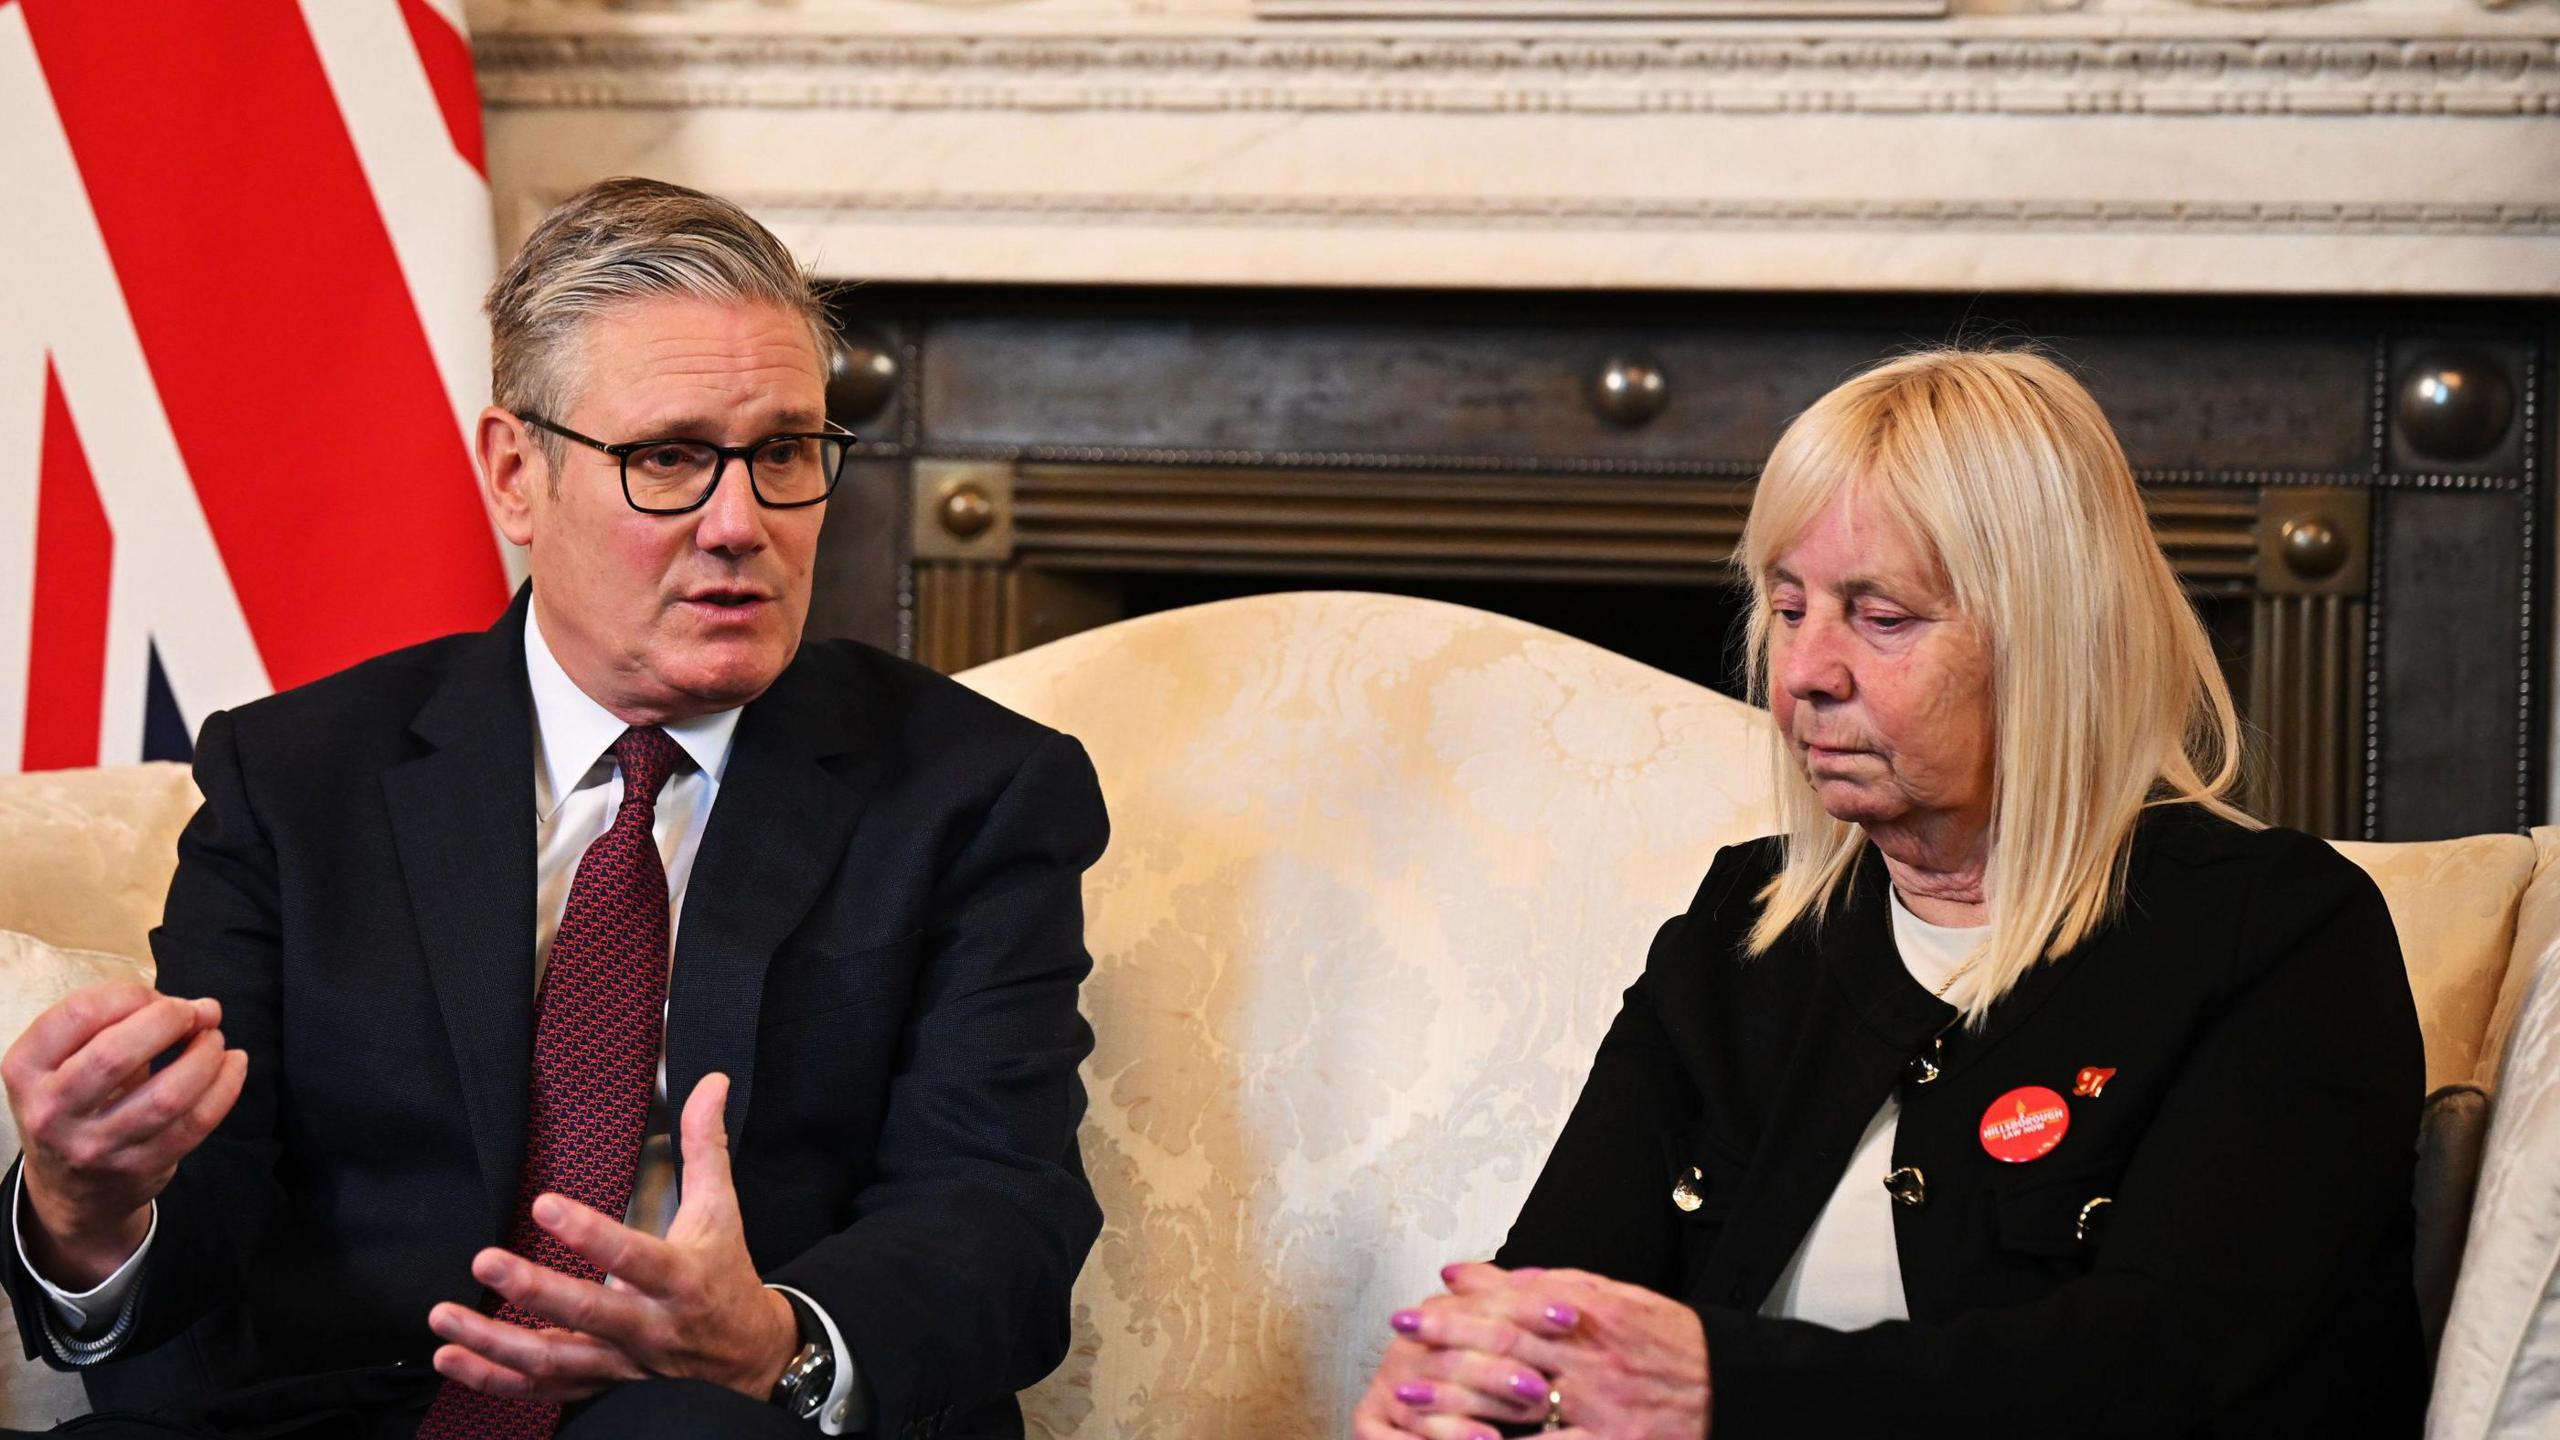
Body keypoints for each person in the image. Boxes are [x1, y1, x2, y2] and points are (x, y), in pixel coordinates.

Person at [0, 177, 1107, 1440]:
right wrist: (87, 1207)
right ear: (516, 476)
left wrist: (775, 1341)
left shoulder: (972, 792)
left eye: (786, 453)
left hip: (720, 1414)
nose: (741, 524)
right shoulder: (297, 778)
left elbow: (999, 1209)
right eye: (670, 459)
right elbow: (211, 1207)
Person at [1354, 348, 2426, 1438]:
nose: (1803, 673)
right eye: (1786, 607)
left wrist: (1724, 1383)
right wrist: (1469, 1382)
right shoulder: (1747, 923)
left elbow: (2155, 1369)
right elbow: (1555, 1286)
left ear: (2046, 641)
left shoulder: (2278, 935)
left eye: (1880, 617)